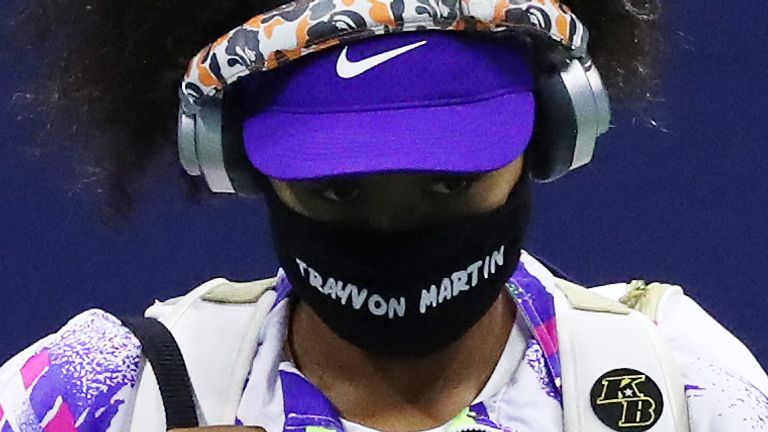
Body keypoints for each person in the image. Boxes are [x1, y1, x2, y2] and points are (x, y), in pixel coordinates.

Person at [1, 0, 767, 431]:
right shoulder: (109, 395)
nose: (394, 227)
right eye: (339, 190)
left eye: (446, 184)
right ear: (236, 158)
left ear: (556, 129)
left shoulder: (685, 387)